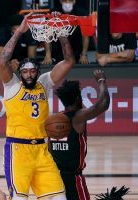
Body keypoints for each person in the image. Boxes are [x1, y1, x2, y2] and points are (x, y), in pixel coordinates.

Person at [0, 12, 76, 200]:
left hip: (42, 151)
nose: (29, 74)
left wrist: (61, 30)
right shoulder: (12, 85)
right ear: (20, 73)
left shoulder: (44, 83)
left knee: (59, 197)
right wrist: (19, 32)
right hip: (18, 150)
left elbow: (70, 61)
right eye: (25, 71)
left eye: (33, 71)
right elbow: (2, 61)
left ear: (38, 71)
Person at [48, 69, 110, 200]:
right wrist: (101, 80)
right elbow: (103, 104)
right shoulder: (78, 117)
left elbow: (49, 149)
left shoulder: (54, 120)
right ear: (77, 98)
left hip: (54, 179)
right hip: (73, 180)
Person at [52, 0, 90, 64]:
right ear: (60, 1)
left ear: (74, 1)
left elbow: (85, 35)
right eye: (65, 1)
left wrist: (84, 55)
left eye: (70, 0)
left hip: (76, 51)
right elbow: (48, 36)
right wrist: (47, 55)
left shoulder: (82, 13)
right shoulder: (54, 12)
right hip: (57, 51)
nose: (67, 3)